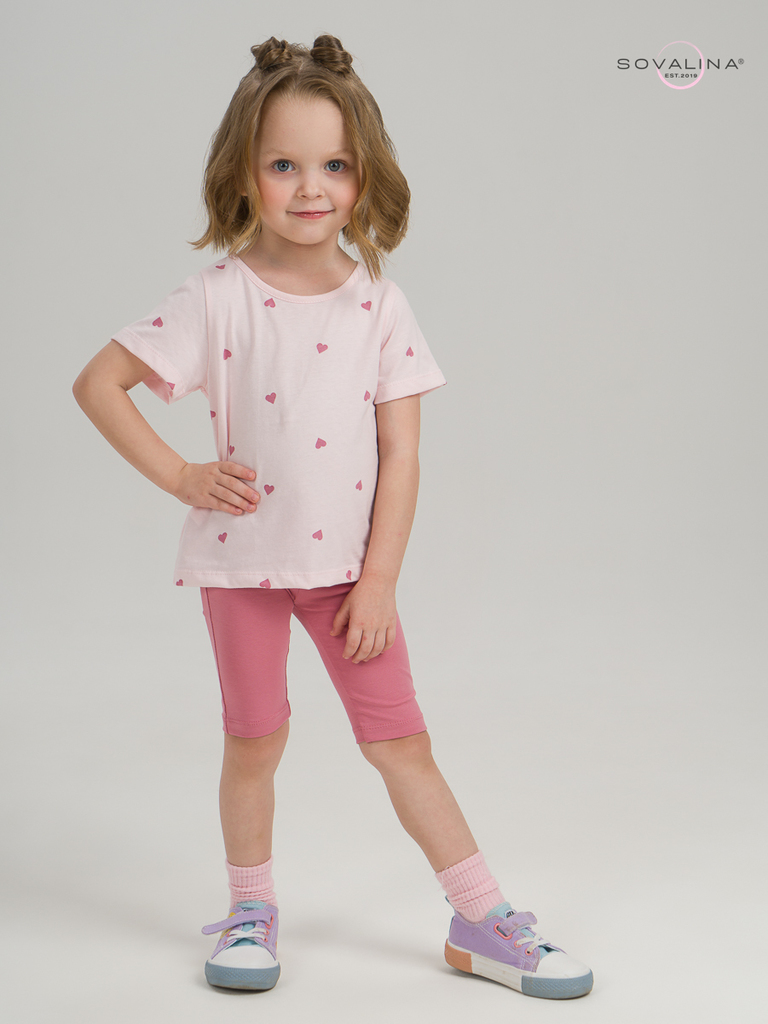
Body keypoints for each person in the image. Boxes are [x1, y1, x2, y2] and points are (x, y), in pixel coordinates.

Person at [72, 34, 593, 1000]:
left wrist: (380, 578)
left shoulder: (380, 308)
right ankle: (250, 910)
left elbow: (403, 456)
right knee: (254, 742)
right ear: (244, 173)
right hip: (243, 570)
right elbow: (99, 383)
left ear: (364, 174)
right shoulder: (215, 298)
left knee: (401, 744)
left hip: (351, 580)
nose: (311, 188)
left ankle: (481, 920)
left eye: (335, 166)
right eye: (284, 165)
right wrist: (182, 476)